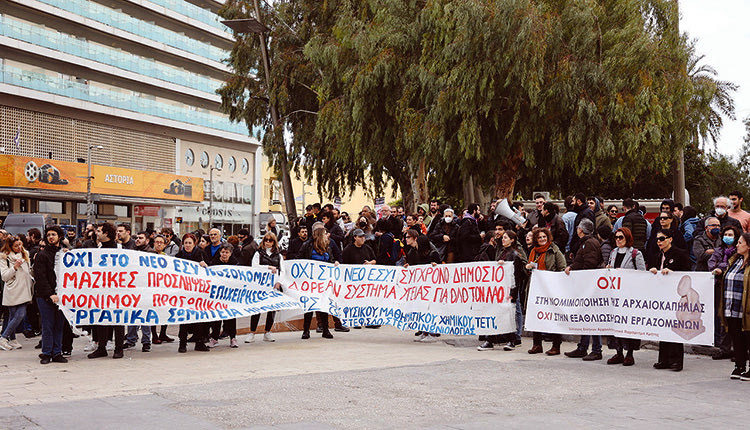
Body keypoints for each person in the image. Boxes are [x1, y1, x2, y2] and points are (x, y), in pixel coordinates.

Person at [478, 231, 528, 351]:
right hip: (500, 289)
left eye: (506, 238)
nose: (503, 239)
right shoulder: (503, 252)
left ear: (512, 240)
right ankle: (491, 340)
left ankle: (511, 340)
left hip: (509, 289)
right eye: (503, 238)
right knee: (497, 313)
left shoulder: (515, 255)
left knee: (508, 315)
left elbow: (516, 275)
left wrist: (513, 292)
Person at [650, 230, 691, 371]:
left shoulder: (680, 254)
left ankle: (676, 360)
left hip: (676, 297)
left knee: (675, 326)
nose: (659, 242)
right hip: (661, 297)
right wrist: (653, 271)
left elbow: (688, 273)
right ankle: (664, 359)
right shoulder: (656, 256)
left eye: (662, 238)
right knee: (663, 326)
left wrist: (674, 274)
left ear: (670, 239)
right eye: (657, 239)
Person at [605, 228, 646, 366]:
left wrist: (625, 273)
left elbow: (642, 274)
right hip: (615, 294)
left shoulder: (635, 253)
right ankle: (618, 352)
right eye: (616, 237)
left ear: (627, 238)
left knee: (628, 323)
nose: (618, 240)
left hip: (629, 295)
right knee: (615, 323)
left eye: (621, 237)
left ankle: (630, 353)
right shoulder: (613, 252)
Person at [564, 219, 603, 361]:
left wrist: (579, 275)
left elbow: (589, 264)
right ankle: (583, 346)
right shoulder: (587, 243)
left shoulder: (589, 243)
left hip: (588, 286)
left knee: (592, 317)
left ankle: (596, 349)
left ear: (581, 229)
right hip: (586, 285)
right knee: (586, 317)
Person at [526, 228, 566, 355]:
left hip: (550, 289)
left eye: (544, 237)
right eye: (540, 237)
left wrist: (550, 278)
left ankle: (556, 345)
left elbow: (562, 268)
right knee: (536, 315)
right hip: (536, 288)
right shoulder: (533, 252)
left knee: (553, 316)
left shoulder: (554, 251)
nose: (542, 239)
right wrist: (528, 268)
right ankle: (537, 344)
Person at [88, 223, 126, 359]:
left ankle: (119, 349)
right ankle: (101, 348)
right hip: (101, 291)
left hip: (117, 291)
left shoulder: (120, 249)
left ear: (107, 233)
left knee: (118, 320)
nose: (96, 233)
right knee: (101, 318)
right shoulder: (96, 248)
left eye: (99, 231)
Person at [34, 226, 67, 364]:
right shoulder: (42, 255)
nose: (50, 237)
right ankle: (46, 352)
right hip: (45, 296)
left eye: (53, 234)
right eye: (48, 235)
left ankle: (57, 352)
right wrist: (50, 294)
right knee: (47, 325)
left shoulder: (65, 254)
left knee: (59, 325)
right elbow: (40, 277)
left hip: (61, 296)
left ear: (59, 236)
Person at [298, 226, 339, 339]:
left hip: (323, 282)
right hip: (311, 281)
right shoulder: (308, 246)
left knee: (324, 305)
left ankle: (325, 330)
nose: (327, 235)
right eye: (325, 233)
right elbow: (300, 259)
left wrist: (334, 263)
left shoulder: (327, 247)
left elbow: (330, 260)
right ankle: (306, 331)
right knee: (310, 305)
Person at [708, 225, 742, 361]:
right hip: (719, 287)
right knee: (723, 317)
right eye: (726, 234)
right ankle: (725, 348)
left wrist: (721, 267)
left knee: (736, 319)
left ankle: (738, 349)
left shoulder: (739, 252)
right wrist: (723, 267)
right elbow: (711, 265)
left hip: (735, 288)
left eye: (731, 235)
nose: (728, 237)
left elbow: (734, 266)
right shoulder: (718, 250)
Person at [719, 232, 750, 380]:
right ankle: (739, 365)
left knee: (748, 337)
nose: (737, 245)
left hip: (746, 308)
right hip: (732, 306)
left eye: (740, 243)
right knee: (736, 337)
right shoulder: (735, 261)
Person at [173, 234, 210, 353]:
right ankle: (182, 343)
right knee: (184, 317)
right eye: (186, 243)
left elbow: (210, 270)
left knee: (198, 317)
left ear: (194, 243)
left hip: (198, 291)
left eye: (190, 243)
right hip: (184, 291)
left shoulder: (201, 254)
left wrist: (205, 266)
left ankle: (199, 342)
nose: (187, 245)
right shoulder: (178, 256)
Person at [247, 232, 284, 343]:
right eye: (266, 240)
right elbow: (254, 267)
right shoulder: (258, 253)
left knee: (271, 310)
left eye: (270, 240)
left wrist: (279, 282)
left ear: (274, 242)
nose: (268, 242)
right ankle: (252, 332)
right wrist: (268, 267)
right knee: (257, 309)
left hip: (273, 286)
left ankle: (267, 331)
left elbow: (282, 270)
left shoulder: (279, 255)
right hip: (260, 286)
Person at [404, 234, 442, 342]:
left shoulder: (433, 254)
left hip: (431, 286)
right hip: (421, 287)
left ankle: (432, 332)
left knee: (430, 309)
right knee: (422, 308)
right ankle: (424, 331)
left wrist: (435, 266)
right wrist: (408, 267)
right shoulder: (415, 253)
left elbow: (441, 269)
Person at [0, 236, 34, 351]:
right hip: (13, 289)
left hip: (24, 288)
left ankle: (11, 339)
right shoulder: (4, 257)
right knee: (16, 315)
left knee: (18, 315)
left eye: (20, 244)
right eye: (16, 246)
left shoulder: (25, 254)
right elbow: (4, 276)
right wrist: (15, 267)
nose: (19, 247)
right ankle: (4, 338)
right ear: (10, 247)